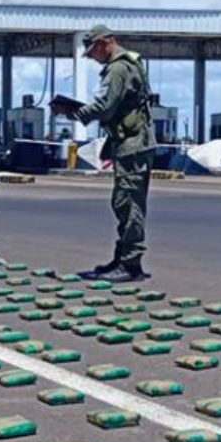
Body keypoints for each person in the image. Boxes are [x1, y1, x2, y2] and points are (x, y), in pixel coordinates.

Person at [53, 24, 156, 282]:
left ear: (103, 43)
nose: (91, 58)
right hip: (131, 142)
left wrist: (75, 112)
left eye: (92, 52)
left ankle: (131, 264)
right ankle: (123, 258)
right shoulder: (126, 64)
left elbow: (106, 107)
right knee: (123, 202)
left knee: (128, 203)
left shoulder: (119, 68)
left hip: (133, 144)